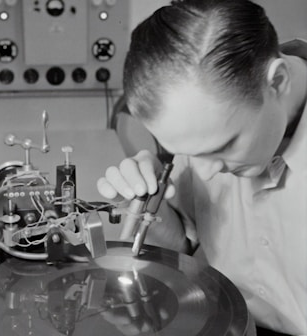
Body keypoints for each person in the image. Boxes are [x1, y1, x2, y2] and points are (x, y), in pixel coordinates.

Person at [97, 0, 307, 335]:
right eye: (185, 152)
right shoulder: (210, 117)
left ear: (278, 82)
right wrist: (159, 211)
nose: (205, 173)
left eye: (221, 147)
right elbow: (184, 250)